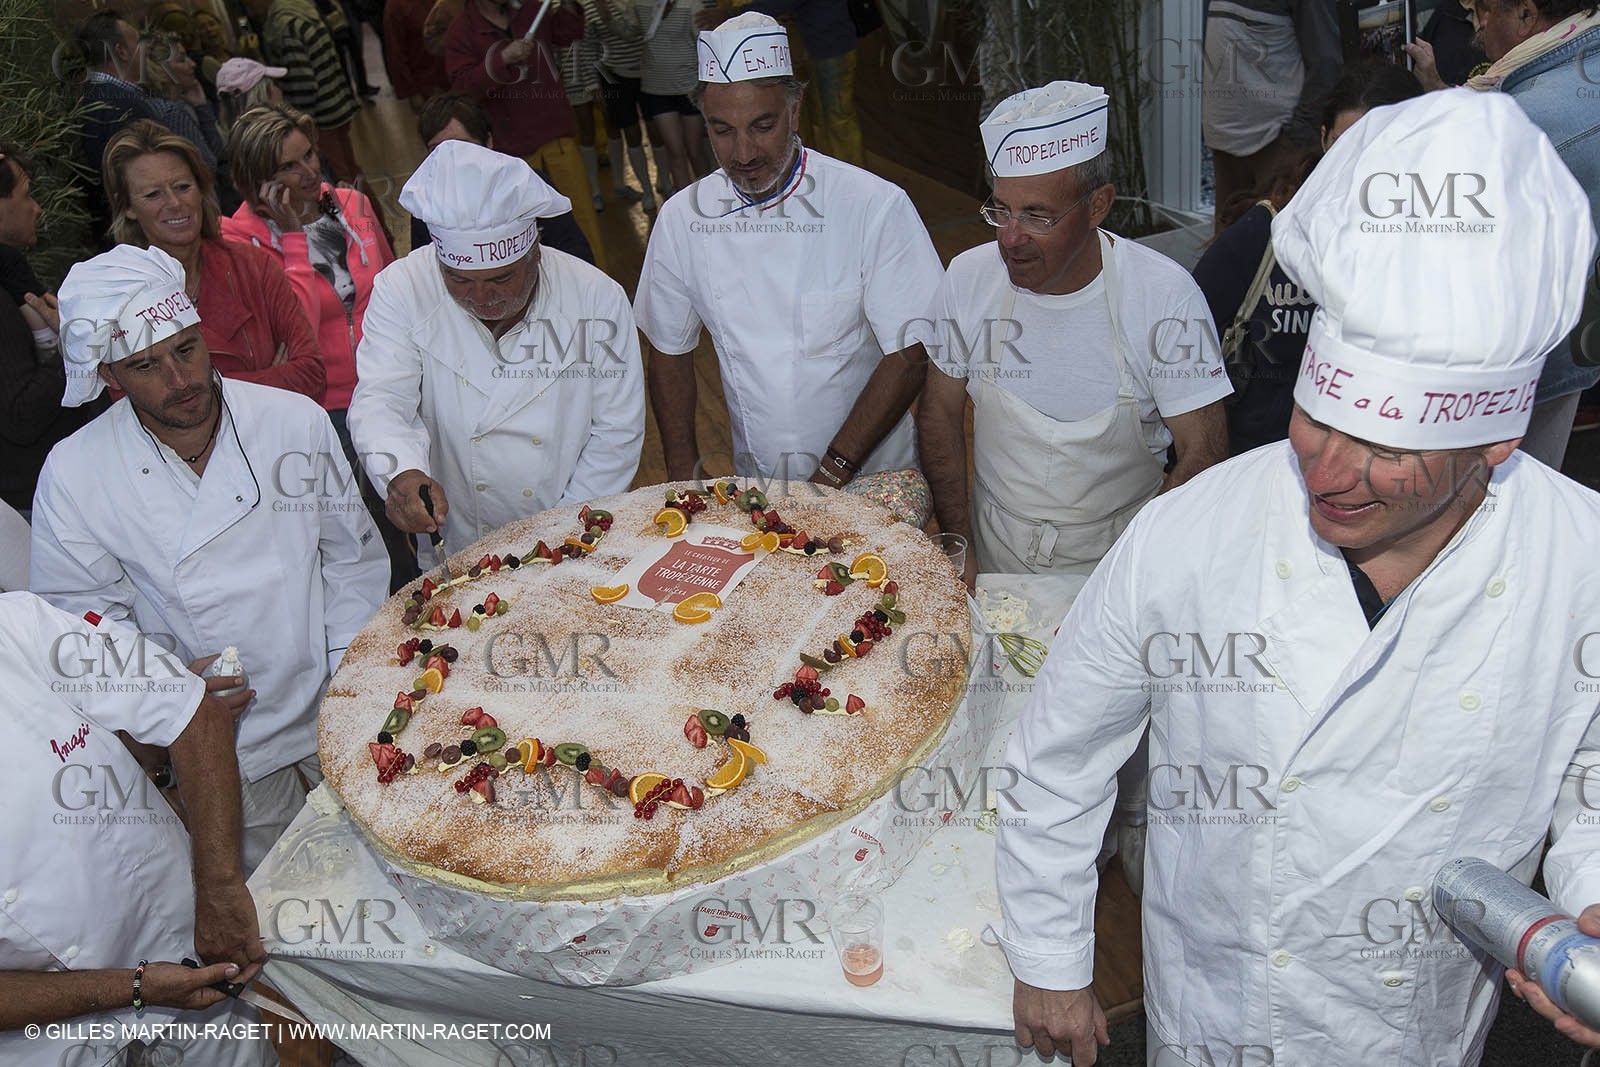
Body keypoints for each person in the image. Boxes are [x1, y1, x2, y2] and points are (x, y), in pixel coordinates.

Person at [997, 89, 1600, 1066]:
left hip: (1415, 1026)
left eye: (1382, 449)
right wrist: (1050, 957)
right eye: (1318, 419)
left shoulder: (1580, 563)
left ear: (1493, 442)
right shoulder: (1190, 533)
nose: (1325, 469)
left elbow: (1591, 766)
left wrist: (1590, 890)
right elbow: (1058, 750)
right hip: (1216, 1010)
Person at [32, 243, 389, 872]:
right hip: (218, 736)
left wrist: (349, 676)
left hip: (335, 700)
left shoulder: (291, 423)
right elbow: (82, 625)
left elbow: (350, 561)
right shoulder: (75, 474)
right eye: (146, 365)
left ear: (202, 332)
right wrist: (161, 690)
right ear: (111, 377)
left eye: (186, 350)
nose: (180, 380)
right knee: (289, 908)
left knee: (392, 870)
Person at [920, 81, 1231, 586]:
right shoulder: (967, 279)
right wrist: (961, 544)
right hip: (995, 549)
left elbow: (1204, 450)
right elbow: (939, 411)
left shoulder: (1164, 297)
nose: (1010, 238)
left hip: (1118, 561)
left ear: (1098, 206)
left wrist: (1135, 578)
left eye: (1038, 216)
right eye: (1001, 209)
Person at [637, 13, 941, 487]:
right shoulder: (683, 220)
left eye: (762, 125)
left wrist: (833, 469)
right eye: (722, 130)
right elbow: (669, 350)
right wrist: (682, 475)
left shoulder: (871, 205)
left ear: (795, 110)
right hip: (762, 486)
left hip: (872, 480)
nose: (743, 153)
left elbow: (912, 350)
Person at [0, 593, 275, 1066]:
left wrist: (219, 889)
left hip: (184, 942)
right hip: (47, 1042)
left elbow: (192, 711)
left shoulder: (17, 627)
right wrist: (134, 988)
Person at [349, 140, 644, 552]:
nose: (482, 297)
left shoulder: (596, 298)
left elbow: (616, 433)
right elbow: (381, 398)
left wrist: (562, 535)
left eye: (501, 279)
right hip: (460, 537)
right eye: (459, 280)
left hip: (572, 530)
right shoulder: (402, 288)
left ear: (536, 253)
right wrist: (401, 472)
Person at [1194, 63, 1421, 456]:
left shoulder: (1441, 247)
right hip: (1260, 473)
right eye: (1344, 146)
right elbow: (1182, 350)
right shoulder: (1266, 236)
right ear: (1323, 139)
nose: (1358, 167)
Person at [1462, 0, 1600, 467]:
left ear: (1525, 13)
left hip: (1535, 372)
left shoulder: (1521, 123)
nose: (1476, 24)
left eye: (1482, 9)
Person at [103, 120, 326, 399]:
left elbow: (311, 375)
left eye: (183, 186)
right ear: (127, 208)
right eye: (153, 194)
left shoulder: (252, 266)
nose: (174, 203)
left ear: (201, 190)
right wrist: (270, 382)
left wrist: (203, 391)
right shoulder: (118, 302)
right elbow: (134, 407)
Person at [222, 104, 394, 438]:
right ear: (259, 180)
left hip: (389, 386)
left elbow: (392, 287)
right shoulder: (238, 243)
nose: (310, 171)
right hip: (322, 408)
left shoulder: (353, 204)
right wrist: (292, 236)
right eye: (289, 166)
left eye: (310, 155)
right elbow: (296, 333)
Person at [445, 0, 610, 272]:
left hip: (556, 137)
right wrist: (502, 59)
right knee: (531, 237)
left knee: (582, 222)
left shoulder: (534, 9)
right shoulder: (461, 30)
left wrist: (569, 5)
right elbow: (462, 88)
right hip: (509, 153)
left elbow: (569, 34)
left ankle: (599, 286)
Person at [0, 145, 107, 520]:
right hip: (31, 501)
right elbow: (20, 414)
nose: (36, 208)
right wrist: (76, 344)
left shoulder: (12, 279)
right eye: (26, 195)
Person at [1200, 0, 1342, 234]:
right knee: (1228, 256)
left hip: (1275, 143)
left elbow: (1326, 64)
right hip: (1224, 144)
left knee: (1274, 250)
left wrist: (1295, 140)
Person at [413, 92, 595, 265]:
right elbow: (423, 273)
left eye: (463, 147)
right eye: (437, 149)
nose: (452, 159)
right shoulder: (423, 203)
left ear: (489, 142)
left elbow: (576, 254)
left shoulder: (528, 184)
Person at [697, 0, 862, 167]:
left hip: (829, 42)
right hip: (800, 43)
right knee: (802, 116)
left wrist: (731, 15)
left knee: (836, 116)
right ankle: (808, 172)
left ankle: (851, 177)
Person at [245, 0, 364, 181]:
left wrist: (297, 121)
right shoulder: (302, 12)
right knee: (352, 170)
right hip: (338, 103)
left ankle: (352, 210)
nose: (250, 8)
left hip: (321, 116)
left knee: (340, 177)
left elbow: (304, 82)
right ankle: (366, 208)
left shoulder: (285, 26)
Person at [76, 9, 167, 239]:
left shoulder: (92, 98)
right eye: (138, 43)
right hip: (139, 235)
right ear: (122, 51)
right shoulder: (119, 106)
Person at [139, 32, 240, 211]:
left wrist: (201, 107)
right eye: (182, 60)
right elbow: (210, 162)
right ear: (162, 69)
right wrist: (204, 113)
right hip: (206, 206)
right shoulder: (171, 112)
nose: (192, 64)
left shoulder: (177, 105)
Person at [637, 0, 715, 193]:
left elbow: (703, 42)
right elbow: (629, 33)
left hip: (688, 86)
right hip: (657, 87)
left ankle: (709, 200)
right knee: (675, 151)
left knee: (694, 148)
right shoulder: (638, 3)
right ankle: (685, 211)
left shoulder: (690, 4)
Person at [586, 0, 656, 209]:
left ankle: (664, 181)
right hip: (614, 76)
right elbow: (589, 47)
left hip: (648, 72)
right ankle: (648, 190)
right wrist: (593, 84)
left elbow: (646, 32)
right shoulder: (591, 6)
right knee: (630, 132)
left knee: (656, 129)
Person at [384, 0, 451, 107]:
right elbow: (396, 52)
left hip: (456, 78)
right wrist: (412, 92)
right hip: (428, 86)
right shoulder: (396, 5)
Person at [215, 57, 289, 130]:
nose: (279, 90)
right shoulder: (282, 136)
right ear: (259, 97)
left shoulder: (234, 136)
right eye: (274, 84)